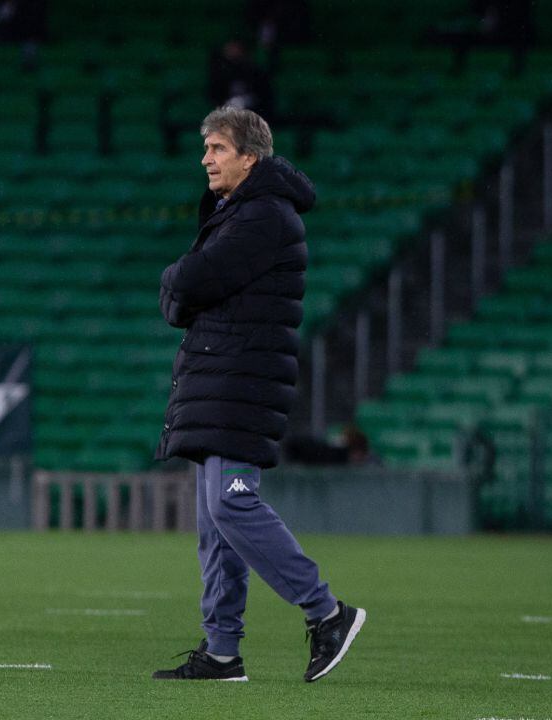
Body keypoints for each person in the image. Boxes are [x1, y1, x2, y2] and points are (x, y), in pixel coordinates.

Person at [153, 107, 365, 682]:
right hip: (219, 377)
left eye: (217, 148)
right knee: (212, 520)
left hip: (240, 380)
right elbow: (187, 293)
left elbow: (192, 281)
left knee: (230, 505)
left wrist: (177, 280)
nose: (206, 159)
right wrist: (182, 284)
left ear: (250, 157)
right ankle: (223, 652)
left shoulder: (264, 216)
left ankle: (327, 612)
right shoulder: (241, 213)